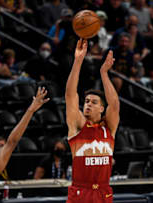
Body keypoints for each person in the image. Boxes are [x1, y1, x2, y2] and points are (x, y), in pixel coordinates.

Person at [65, 39, 120, 203]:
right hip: (81, 191)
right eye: (87, 101)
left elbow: (115, 104)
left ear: (102, 109)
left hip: (104, 191)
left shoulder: (109, 128)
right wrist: (78, 60)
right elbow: (70, 95)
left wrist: (104, 73)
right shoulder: (78, 125)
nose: (88, 104)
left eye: (94, 102)